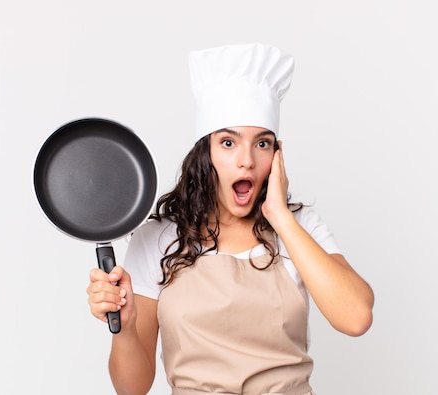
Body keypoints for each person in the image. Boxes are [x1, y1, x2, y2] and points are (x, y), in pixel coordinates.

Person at [87, 43, 374, 395]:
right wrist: (126, 329)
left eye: (262, 144)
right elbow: (133, 388)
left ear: (277, 155)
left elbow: (356, 317)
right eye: (228, 143)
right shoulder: (158, 238)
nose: (246, 161)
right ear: (204, 152)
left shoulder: (299, 227)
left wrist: (281, 217)